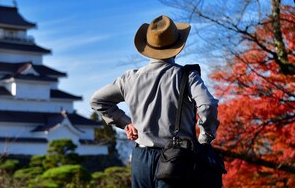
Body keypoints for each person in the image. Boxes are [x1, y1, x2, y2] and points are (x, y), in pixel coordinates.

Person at [90, 15, 219, 188]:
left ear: (148, 46)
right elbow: (208, 105)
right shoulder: (187, 76)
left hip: (140, 159)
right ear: (177, 46)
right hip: (176, 159)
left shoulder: (130, 78)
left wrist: (125, 122)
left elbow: (97, 100)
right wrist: (205, 137)